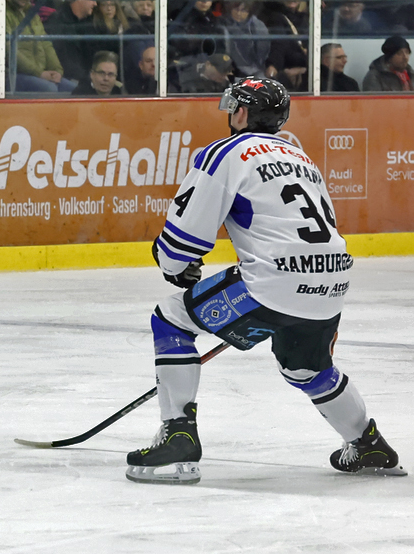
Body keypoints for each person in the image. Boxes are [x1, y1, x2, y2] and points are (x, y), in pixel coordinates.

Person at [127, 75, 400, 484]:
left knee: (171, 319)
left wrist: (173, 264)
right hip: (331, 280)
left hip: (273, 281)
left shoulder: (225, 152)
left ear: (241, 112)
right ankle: (367, 444)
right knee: (307, 369)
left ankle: (178, 434)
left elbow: (185, 236)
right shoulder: (300, 157)